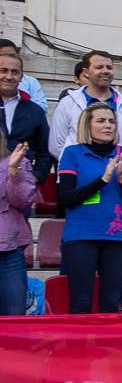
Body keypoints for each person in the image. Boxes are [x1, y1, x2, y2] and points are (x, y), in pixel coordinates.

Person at [57, 105, 122, 314]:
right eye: (101, 121)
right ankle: (78, 346)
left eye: (111, 121)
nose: (108, 126)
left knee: (112, 303)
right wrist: (103, 180)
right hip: (81, 236)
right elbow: (66, 197)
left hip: (117, 237)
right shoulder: (73, 153)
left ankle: (107, 347)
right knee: (81, 302)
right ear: (88, 124)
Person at [49, 50, 122, 160]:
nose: (105, 71)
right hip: (79, 174)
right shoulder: (68, 103)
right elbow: (56, 145)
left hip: (117, 173)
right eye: (99, 67)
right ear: (86, 72)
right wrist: (81, 165)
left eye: (109, 67)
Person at [0, 50, 51, 184]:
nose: (9, 76)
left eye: (14, 72)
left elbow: (44, 151)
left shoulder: (34, 111)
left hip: (19, 184)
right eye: (3, 70)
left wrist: (36, 177)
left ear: (22, 76)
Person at [0, 134, 35, 314]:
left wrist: (14, 172)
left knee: (13, 318)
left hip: (8, 252)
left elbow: (23, 201)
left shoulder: (15, 161)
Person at [0, 39, 47, 111]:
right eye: (3, 56)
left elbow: (42, 107)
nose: (9, 77)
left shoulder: (31, 82)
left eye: (11, 55)